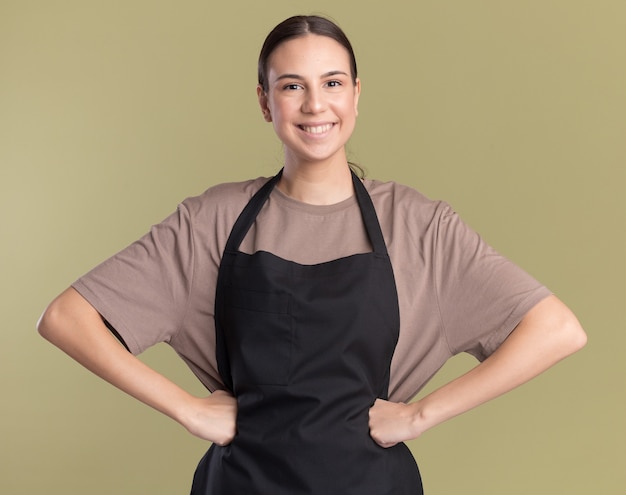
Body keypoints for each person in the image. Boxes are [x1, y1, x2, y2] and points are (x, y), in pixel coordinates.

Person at [38, 14, 587, 494]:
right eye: (292, 86)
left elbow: (556, 329)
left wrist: (421, 414)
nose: (315, 104)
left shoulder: (420, 227)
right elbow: (67, 318)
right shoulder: (213, 221)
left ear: (355, 94)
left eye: (332, 82)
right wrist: (186, 409)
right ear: (264, 101)